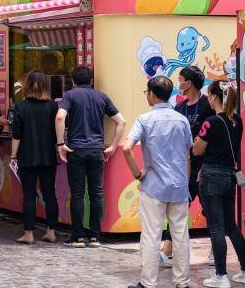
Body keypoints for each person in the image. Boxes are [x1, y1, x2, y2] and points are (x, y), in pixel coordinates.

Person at [122, 76, 192, 288]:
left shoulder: (144, 120)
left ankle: (148, 283)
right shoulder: (182, 120)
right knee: (180, 236)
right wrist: (185, 183)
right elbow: (187, 155)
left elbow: (126, 148)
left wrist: (137, 174)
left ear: (152, 94)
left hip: (153, 186)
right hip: (179, 185)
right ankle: (182, 282)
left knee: (151, 235)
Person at [193, 80, 245, 287]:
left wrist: (195, 144)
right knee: (231, 226)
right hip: (230, 176)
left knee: (216, 228)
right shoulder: (237, 121)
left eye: (209, 94)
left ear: (214, 97)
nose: (208, 98)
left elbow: (197, 149)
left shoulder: (210, 122)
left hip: (211, 176)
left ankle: (221, 276)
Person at [56, 65, 126, 247]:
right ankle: (95, 236)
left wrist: (60, 144)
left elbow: (59, 117)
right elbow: (121, 121)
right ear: (91, 80)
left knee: (77, 194)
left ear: (73, 80)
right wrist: (112, 146)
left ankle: (78, 236)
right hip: (97, 150)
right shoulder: (101, 97)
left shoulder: (69, 95)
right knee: (96, 193)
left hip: (76, 150)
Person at [161, 65, 214, 265]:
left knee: (210, 208)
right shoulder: (180, 107)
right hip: (183, 166)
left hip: (204, 165)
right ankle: (168, 249)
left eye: (180, 78)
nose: (178, 82)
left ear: (189, 83)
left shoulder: (207, 105)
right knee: (178, 207)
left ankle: (214, 250)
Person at [10, 70, 58, 244]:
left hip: (27, 156)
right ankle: (51, 231)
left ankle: (28, 233)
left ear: (27, 85)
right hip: (48, 156)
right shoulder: (53, 106)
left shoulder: (21, 106)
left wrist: (13, 155)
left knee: (29, 194)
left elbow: (17, 134)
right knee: (49, 193)